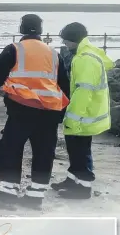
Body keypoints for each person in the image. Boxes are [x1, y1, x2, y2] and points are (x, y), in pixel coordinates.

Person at [0, 14, 70, 210]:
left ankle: (7, 195)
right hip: (49, 112)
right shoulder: (54, 54)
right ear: (40, 31)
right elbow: (65, 84)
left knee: (10, 149)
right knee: (44, 153)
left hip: (22, 109)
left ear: (22, 29)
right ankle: (35, 197)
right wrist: (61, 113)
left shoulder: (15, 49)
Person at [51, 22, 113, 199]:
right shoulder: (90, 53)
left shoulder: (84, 59)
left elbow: (83, 91)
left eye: (65, 41)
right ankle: (72, 179)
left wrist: (72, 118)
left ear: (73, 40)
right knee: (77, 149)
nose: (64, 44)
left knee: (80, 150)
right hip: (88, 113)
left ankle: (83, 188)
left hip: (83, 116)